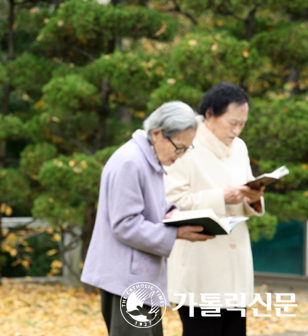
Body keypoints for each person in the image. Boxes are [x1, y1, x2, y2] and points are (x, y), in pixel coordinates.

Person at [81, 101, 214, 336]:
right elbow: (125, 224)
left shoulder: (148, 159)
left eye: (187, 149)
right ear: (157, 134)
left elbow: (147, 208)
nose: (181, 155)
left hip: (139, 278)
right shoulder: (131, 162)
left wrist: (172, 214)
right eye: (179, 147)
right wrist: (176, 232)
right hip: (125, 280)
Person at [164, 82, 265, 336]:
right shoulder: (183, 144)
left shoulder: (239, 147)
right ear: (209, 114)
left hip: (235, 265)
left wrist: (252, 198)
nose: (238, 129)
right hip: (200, 265)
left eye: (243, 123)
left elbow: (241, 197)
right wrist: (222, 197)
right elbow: (172, 201)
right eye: (233, 122)